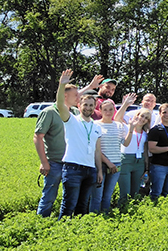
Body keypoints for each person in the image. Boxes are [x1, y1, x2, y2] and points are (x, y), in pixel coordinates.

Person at [55, 69, 103, 218]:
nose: (88, 108)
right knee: (69, 204)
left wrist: (99, 170)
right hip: (73, 168)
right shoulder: (71, 120)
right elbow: (60, 104)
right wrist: (62, 85)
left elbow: (97, 151)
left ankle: (78, 234)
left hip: (90, 170)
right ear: (79, 105)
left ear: (94, 106)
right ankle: (62, 233)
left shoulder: (96, 126)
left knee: (83, 206)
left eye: (91, 105)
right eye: (85, 105)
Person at [34, 78, 82, 217]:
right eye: (76, 95)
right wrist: (44, 162)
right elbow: (38, 137)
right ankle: (42, 223)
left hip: (72, 163)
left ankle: (66, 222)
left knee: (71, 197)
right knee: (48, 197)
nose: (78, 98)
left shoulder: (75, 113)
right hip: (55, 162)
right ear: (64, 96)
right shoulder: (49, 112)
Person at [90, 99, 128, 213]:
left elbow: (124, 143)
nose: (108, 112)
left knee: (107, 196)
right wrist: (108, 163)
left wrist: (131, 129)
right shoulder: (95, 125)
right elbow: (95, 149)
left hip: (116, 164)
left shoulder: (118, 125)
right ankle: (94, 219)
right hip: (100, 164)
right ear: (100, 110)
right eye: (105, 109)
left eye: (111, 109)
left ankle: (105, 218)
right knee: (97, 196)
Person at [119, 107, 151, 205]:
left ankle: (133, 213)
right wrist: (125, 104)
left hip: (139, 162)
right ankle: (122, 212)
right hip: (126, 160)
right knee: (125, 192)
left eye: (146, 118)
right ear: (137, 115)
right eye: (142, 116)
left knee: (135, 191)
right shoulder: (126, 127)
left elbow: (146, 152)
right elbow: (117, 118)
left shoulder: (146, 134)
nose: (143, 119)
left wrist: (146, 168)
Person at [147, 104, 168, 200]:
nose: (167, 114)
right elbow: (152, 148)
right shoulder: (155, 130)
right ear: (160, 114)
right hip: (159, 166)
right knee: (156, 193)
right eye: (164, 112)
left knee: (166, 193)